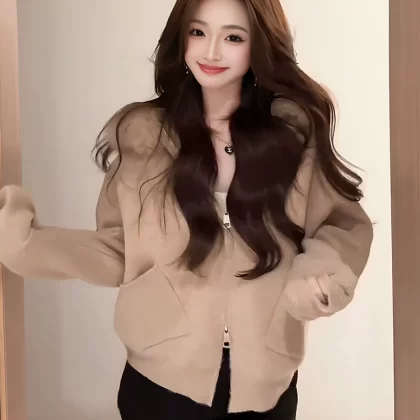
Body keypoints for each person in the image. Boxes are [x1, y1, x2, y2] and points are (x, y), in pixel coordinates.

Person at [0, 0, 373, 419]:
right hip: (159, 384)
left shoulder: (293, 136)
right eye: (198, 32)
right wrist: (29, 245)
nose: (211, 51)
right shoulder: (143, 139)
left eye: (233, 37)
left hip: (267, 384)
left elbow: (341, 225)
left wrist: (317, 275)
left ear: (260, 46)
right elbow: (121, 249)